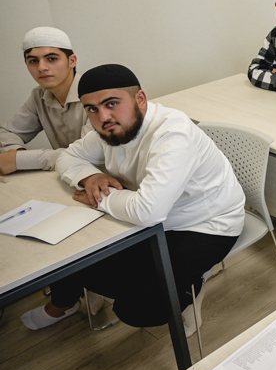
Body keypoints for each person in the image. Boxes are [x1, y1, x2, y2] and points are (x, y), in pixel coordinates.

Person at [22, 65, 245, 332]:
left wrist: (100, 197)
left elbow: (148, 211)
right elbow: (68, 156)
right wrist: (90, 178)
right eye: (92, 109)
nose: (103, 116)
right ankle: (68, 301)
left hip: (205, 224)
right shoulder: (109, 129)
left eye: (112, 104)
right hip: (149, 217)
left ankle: (192, 285)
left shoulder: (172, 133)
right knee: (70, 256)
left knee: (138, 310)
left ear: (140, 99)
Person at [1, 27, 91, 175]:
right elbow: (7, 133)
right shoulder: (39, 96)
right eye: (33, 61)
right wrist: (16, 153)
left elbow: (89, 154)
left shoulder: (95, 95)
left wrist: (20, 160)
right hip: (67, 176)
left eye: (52, 59)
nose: (41, 67)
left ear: (72, 61)